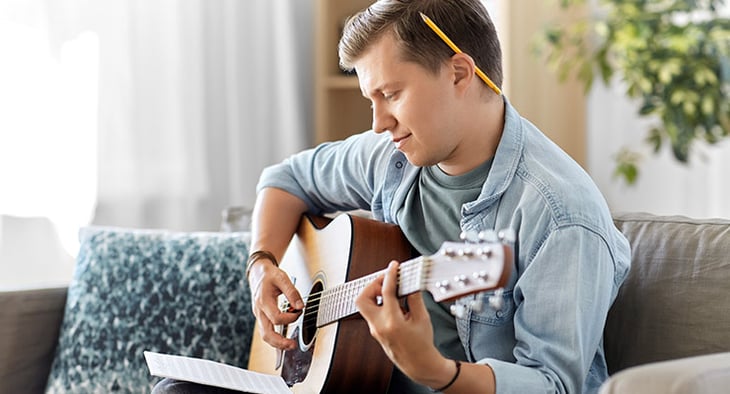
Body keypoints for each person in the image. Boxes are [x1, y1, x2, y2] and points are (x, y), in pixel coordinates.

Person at [153, 0, 630, 393]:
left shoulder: (561, 215)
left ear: (460, 73)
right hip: (358, 379)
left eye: (392, 94)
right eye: (370, 100)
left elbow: (553, 385)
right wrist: (261, 266)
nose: (378, 123)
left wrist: (438, 373)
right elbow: (285, 179)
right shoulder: (394, 155)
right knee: (177, 391)